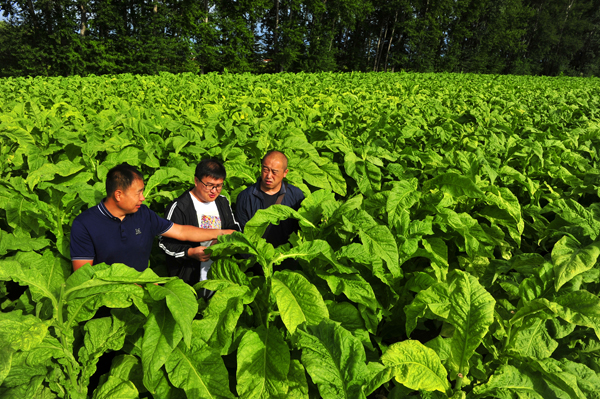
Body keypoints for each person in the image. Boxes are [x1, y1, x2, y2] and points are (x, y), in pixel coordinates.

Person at [70, 163, 236, 272]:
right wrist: (138, 284)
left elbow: (181, 231)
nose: (143, 198)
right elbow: (84, 275)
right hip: (104, 307)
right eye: (138, 192)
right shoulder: (84, 224)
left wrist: (223, 233)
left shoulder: (143, 213)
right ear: (119, 195)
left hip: (143, 297)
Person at [159, 159, 240, 289]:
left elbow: (233, 227)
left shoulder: (222, 202)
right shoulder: (179, 207)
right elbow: (164, 244)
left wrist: (221, 241)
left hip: (219, 276)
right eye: (209, 185)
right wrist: (190, 252)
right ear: (196, 181)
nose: (214, 190)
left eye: (219, 185)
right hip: (189, 278)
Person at [236, 150, 304, 247]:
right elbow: (242, 233)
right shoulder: (245, 196)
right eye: (265, 170)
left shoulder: (296, 196)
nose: (269, 176)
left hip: (286, 257)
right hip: (255, 257)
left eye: (274, 172)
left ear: (285, 173)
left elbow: (300, 229)